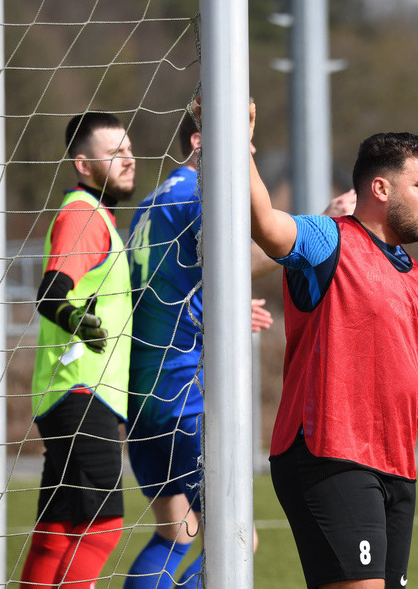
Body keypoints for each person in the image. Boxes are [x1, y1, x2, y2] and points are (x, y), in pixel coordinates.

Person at [124, 105, 356, 588]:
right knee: (237, 541)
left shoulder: (151, 201)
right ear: (200, 143)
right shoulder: (195, 195)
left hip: (142, 392)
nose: (247, 155)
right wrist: (326, 220)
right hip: (183, 389)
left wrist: (218, 313)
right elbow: (243, 260)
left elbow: (169, 286)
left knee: (174, 532)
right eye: (240, 146)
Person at [246, 100, 418, 589]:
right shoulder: (328, 238)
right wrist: (239, 143)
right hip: (329, 455)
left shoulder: (416, 275)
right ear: (381, 188)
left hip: (395, 466)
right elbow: (266, 224)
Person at [21, 112, 136, 589]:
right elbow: (51, 293)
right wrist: (74, 320)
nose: (129, 159)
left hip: (71, 393)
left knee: (56, 534)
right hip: (82, 393)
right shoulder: (84, 214)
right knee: (102, 528)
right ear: (83, 165)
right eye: (115, 153)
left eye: (130, 149)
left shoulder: (97, 215)